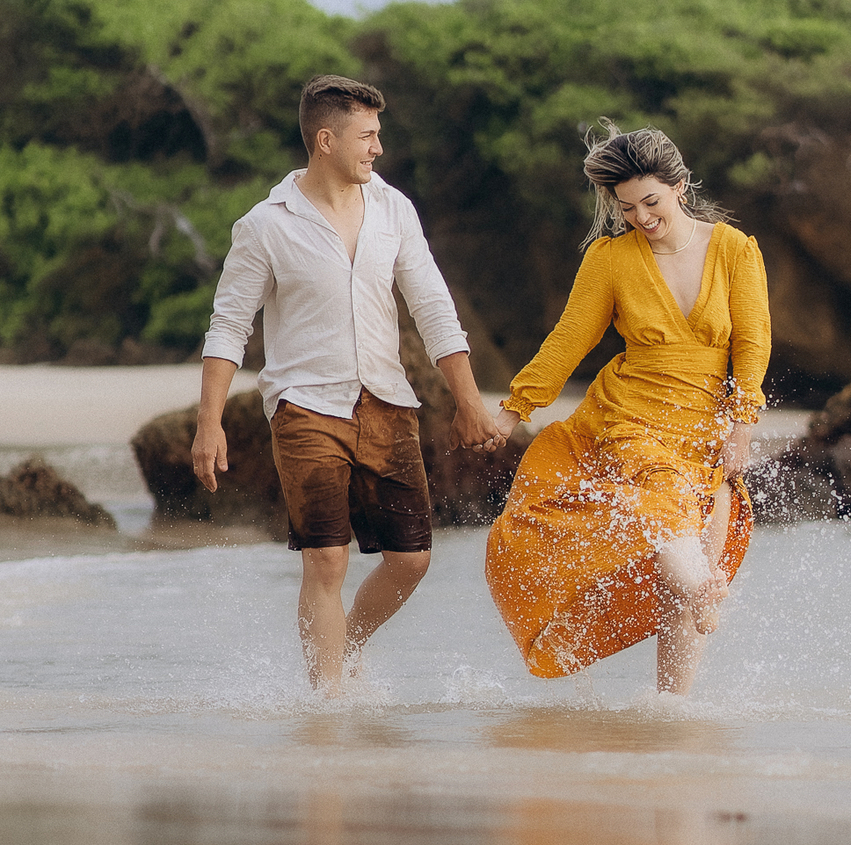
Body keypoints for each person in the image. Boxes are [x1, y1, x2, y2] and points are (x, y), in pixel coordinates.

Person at [192, 74, 502, 691]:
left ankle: (346, 645)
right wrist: (209, 423)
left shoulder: (394, 210)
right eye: (368, 136)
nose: (378, 148)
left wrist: (469, 401)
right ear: (326, 140)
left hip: (388, 401)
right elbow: (229, 325)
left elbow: (433, 307)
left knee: (411, 560)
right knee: (326, 558)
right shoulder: (264, 224)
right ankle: (328, 705)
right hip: (304, 405)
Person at [486, 124, 771, 695]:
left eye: (651, 201)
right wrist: (513, 410)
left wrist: (741, 428)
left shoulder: (735, 248)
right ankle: (700, 588)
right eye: (627, 207)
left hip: (707, 426)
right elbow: (570, 338)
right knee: (676, 536)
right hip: (632, 417)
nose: (641, 217)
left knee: (684, 566)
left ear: (680, 187)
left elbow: (753, 342)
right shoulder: (611, 258)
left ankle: (673, 711)